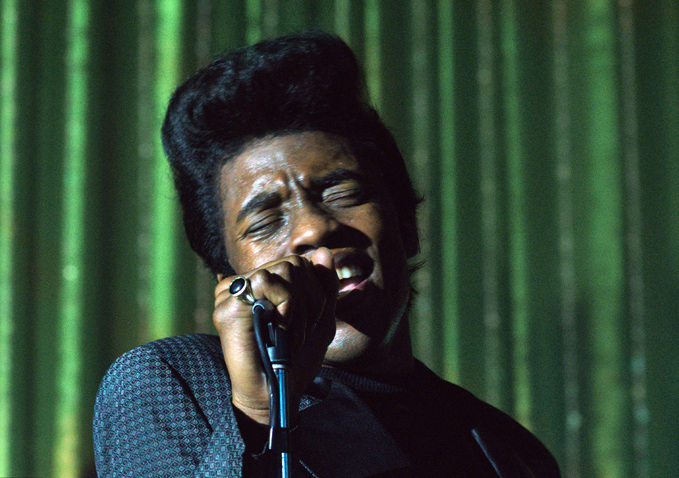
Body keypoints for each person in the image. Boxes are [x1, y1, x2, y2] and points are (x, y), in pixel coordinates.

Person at [93, 31, 560, 477]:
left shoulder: (510, 452)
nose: (315, 229)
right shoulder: (174, 382)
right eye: (265, 222)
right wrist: (261, 411)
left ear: (406, 225)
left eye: (342, 193)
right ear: (227, 276)